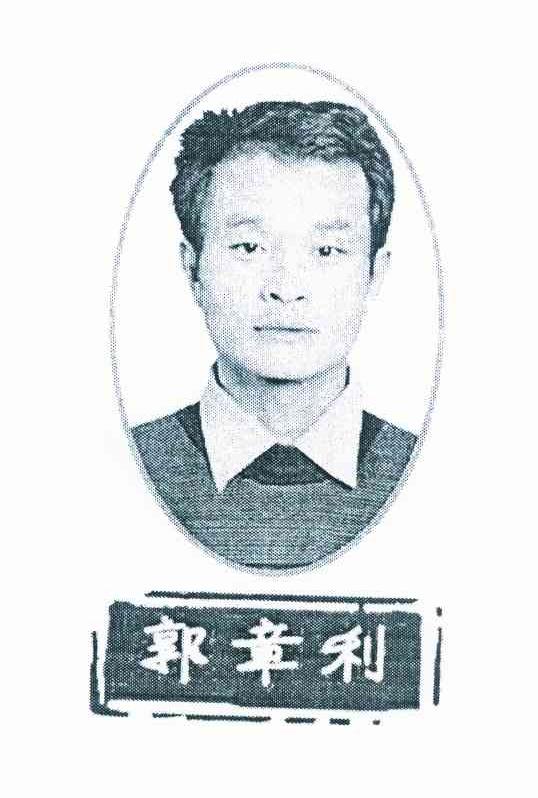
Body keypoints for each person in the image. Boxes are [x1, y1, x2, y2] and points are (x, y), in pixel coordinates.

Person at [131, 101, 417, 569]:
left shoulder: (427, 472)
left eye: (327, 250)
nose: (285, 288)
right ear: (192, 267)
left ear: (374, 273)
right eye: (249, 247)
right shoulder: (126, 467)